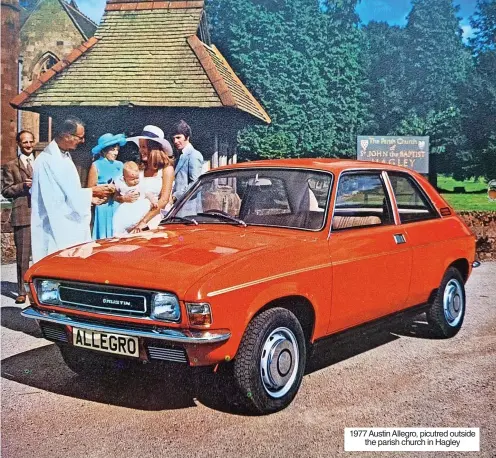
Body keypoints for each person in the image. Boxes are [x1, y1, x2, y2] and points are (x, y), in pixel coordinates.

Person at [30, 117, 114, 262]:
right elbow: (54, 200)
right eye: (80, 137)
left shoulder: (65, 156)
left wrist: (90, 199)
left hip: (67, 224)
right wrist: (92, 192)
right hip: (53, 227)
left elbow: (69, 191)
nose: (82, 141)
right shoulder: (46, 161)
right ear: (66, 135)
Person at [1, 130, 36, 303]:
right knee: (23, 256)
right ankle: (22, 290)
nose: (28, 145)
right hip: (23, 214)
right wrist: (22, 186)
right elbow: (6, 191)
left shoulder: (42, 163)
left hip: (41, 215)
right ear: (19, 144)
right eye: (25, 142)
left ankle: (38, 291)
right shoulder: (11, 166)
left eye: (30, 142)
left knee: (41, 254)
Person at [127, 125, 175, 232]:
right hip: (134, 219)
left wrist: (143, 222)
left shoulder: (166, 170)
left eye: (143, 147)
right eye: (140, 147)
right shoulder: (139, 168)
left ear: (153, 148)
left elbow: (164, 200)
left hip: (154, 220)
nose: (140, 150)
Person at [87, 133, 126, 239]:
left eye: (117, 149)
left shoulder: (120, 165)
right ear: (104, 150)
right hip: (103, 205)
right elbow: (90, 189)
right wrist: (104, 189)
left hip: (117, 203)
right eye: (113, 149)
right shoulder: (96, 165)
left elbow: (126, 184)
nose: (116, 152)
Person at [112, 161, 159, 235]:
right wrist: (122, 198)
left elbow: (148, 193)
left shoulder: (141, 185)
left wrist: (153, 201)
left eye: (137, 178)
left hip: (139, 208)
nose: (135, 181)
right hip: (126, 209)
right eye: (132, 179)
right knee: (118, 224)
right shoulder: (121, 185)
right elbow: (115, 195)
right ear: (124, 179)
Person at [171, 120, 203, 204]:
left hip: (188, 207)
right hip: (178, 207)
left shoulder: (194, 155)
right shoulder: (180, 155)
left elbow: (196, 184)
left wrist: (175, 196)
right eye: (173, 138)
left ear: (187, 137)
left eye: (178, 137)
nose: (175, 141)